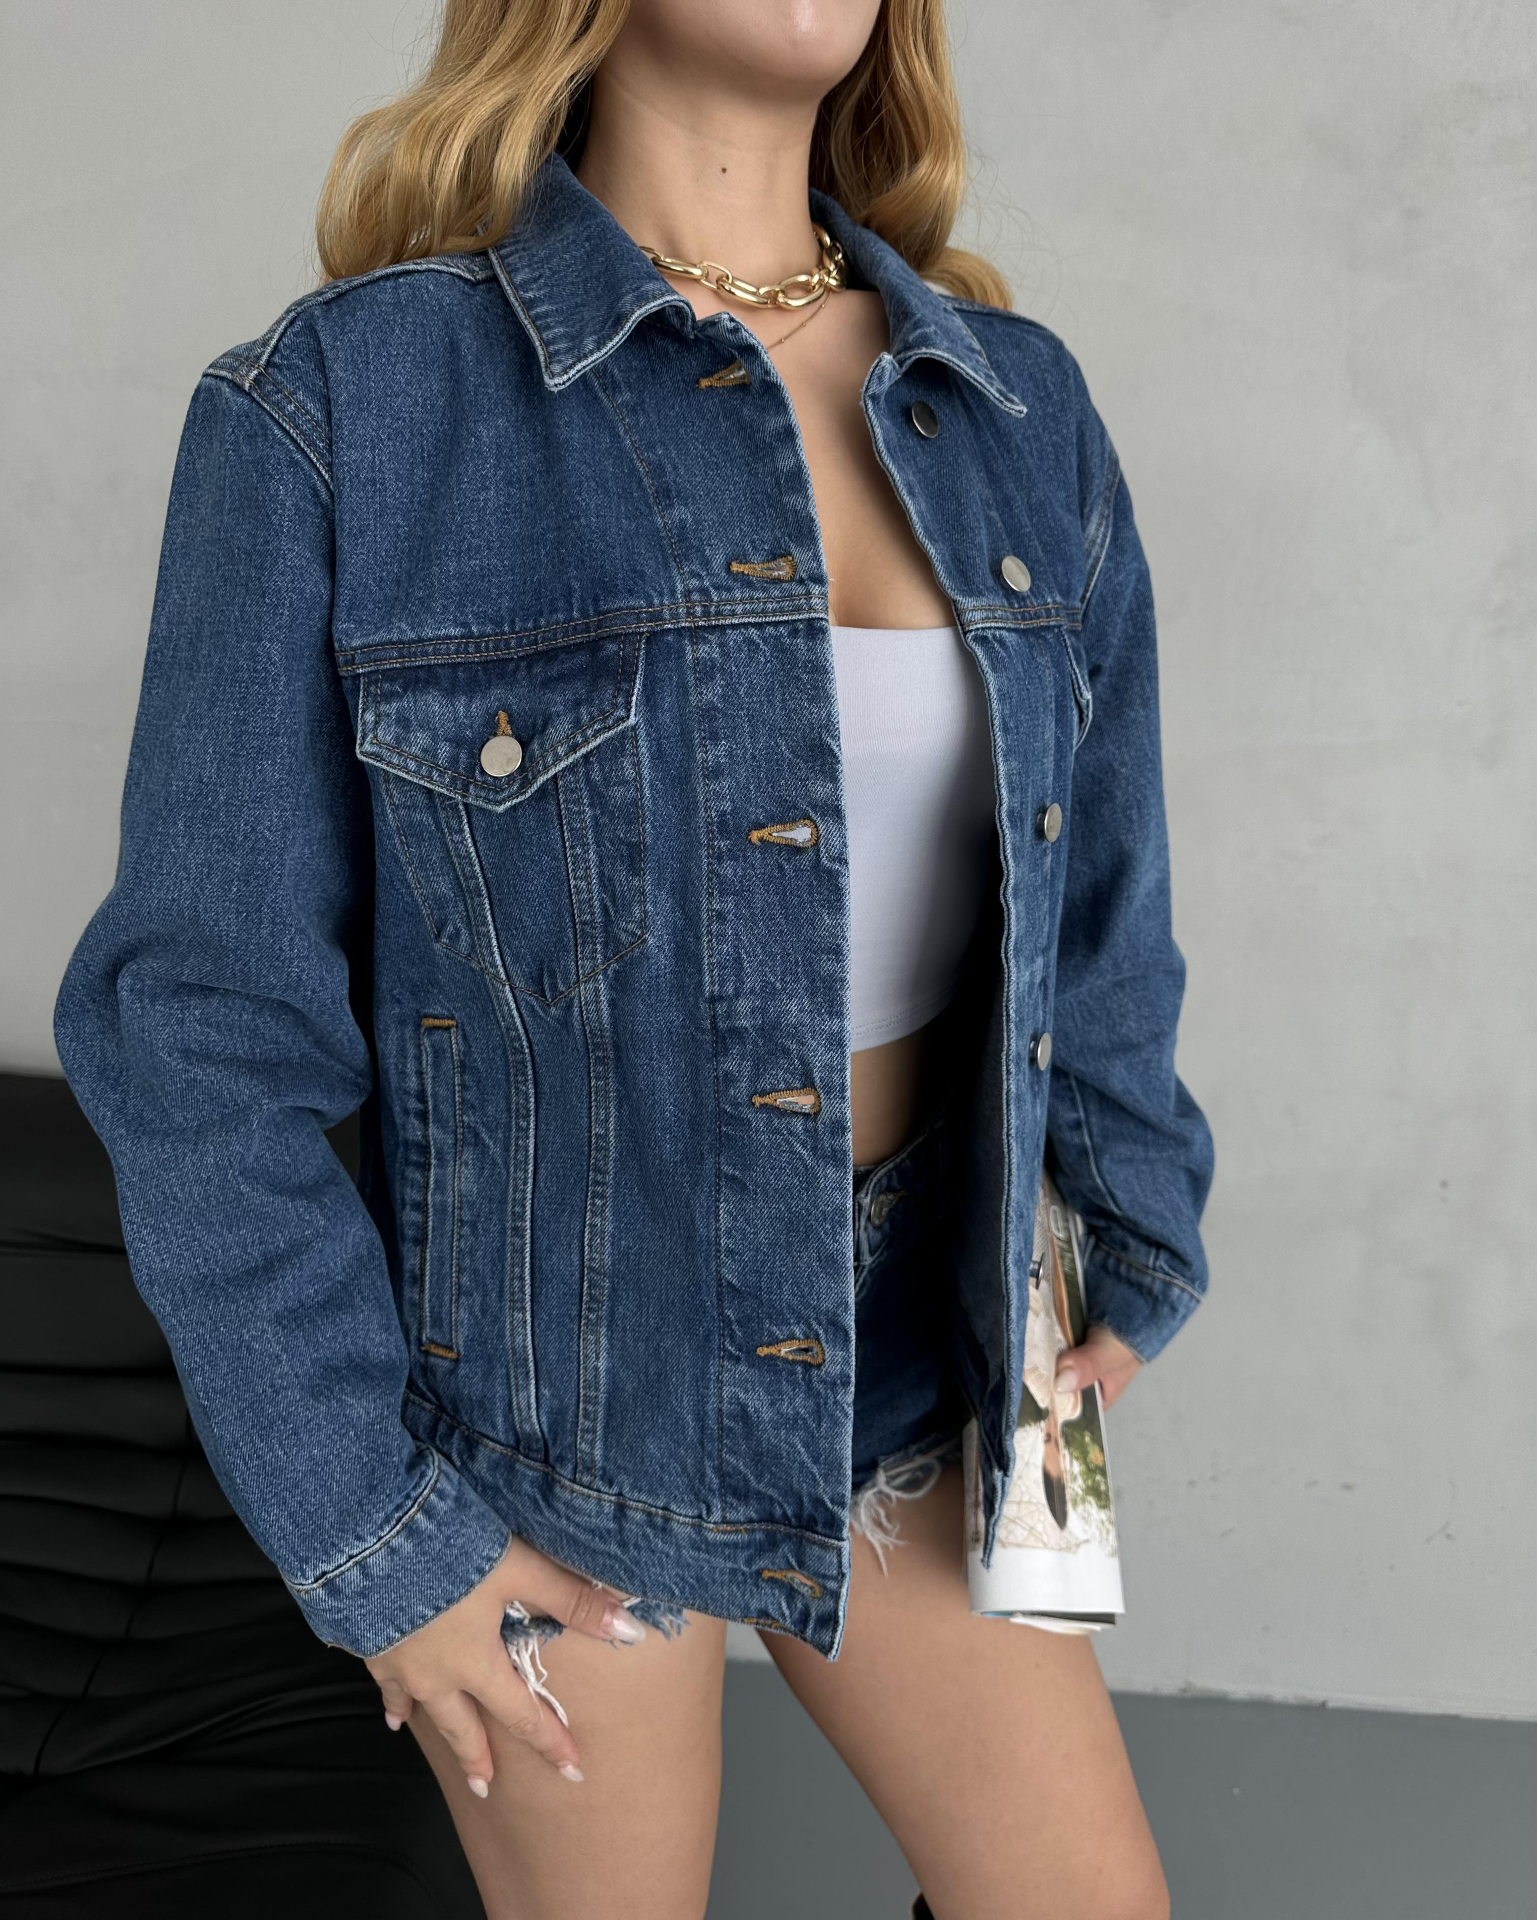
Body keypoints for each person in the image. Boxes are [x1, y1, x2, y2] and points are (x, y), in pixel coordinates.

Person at [53, 3, 1214, 1915]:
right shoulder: (349, 405)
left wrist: (1124, 1240)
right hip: (550, 1392)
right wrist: (373, 1534)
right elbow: (200, 1039)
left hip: (918, 1348)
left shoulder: (1016, 408)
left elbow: (1099, 898)